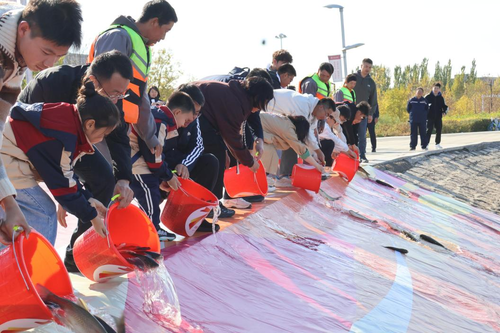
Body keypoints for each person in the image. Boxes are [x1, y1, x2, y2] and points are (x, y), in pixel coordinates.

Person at [18, 50, 134, 272]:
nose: (117, 100)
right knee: (45, 211)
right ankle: (33, 269)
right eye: (114, 94)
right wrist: (68, 192)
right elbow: (44, 147)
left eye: (122, 94)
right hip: (26, 145)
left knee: (103, 178)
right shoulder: (52, 83)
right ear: (93, 81)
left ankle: (78, 256)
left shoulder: (111, 95)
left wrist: (124, 179)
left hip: (70, 149)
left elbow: (119, 138)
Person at [0, 0, 83, 245]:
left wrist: (8, 202)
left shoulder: (16, 57)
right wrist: (9, 202)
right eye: (47, 52)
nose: (50, 64)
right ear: (24, 29)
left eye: (59, 56)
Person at [1, 83, 120, 245]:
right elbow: (63, 186)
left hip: (10, 150)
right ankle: (36, 266)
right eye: (104, 133)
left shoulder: (69, 117)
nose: (102, 139)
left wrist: (88, 200)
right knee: (44, 212)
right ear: (90, 124)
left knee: (13, 211)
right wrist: (92, 217)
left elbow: (67, 176)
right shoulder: (65, 138)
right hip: (6, 154)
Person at [88, 0, 178, 166]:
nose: (164, 37)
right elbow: (101, 83)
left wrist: (150, 136)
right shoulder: (118, 36)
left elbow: (140, 95)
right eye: (166, 30)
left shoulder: (142, 48)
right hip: (99, 126)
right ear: (154, 22)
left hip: (118, 127)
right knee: (104, 180)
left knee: (116, 181)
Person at [194, 77, 274, 215]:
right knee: (215, 156)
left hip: (205, 119)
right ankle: (210, 205)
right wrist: (250, 162)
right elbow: (232, 137)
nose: (259, 109)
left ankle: (210, 203)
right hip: (196, 117)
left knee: (219, 156)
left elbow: (229, 130)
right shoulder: (235, 103)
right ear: (257, 97)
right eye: (263, 102)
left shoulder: (240, 96)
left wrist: (258, 141)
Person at [130, 92, 195, 241]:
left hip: (137, 163)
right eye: (187, 120)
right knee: (150, 196)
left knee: (147, 196)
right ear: (177, 112)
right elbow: (154, 157)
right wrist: (168, 176)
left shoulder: (158, 115)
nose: (186, 124)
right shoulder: (161, 122)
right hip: (137, 165)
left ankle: (146, 228)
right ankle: (152, 229)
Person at [162, 84, 220, 231]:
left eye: (198, 113)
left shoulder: (194, 121)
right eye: (192, 112)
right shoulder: (160, 117)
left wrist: (184, 164)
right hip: (162, 169)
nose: (193, 117)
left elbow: (198, 146)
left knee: (210, 161)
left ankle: (195, 216)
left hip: (182, 168)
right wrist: (166, 173)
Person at [266, 90, 335, 186]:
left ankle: (282, 175)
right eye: (326, 114)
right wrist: (316, 165)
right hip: (265, 112)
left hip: (271, 119)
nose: (325, 118)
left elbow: (309, 132)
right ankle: (284, 176)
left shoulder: (312, 111)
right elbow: (303, 139)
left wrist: (318, 151)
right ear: (321, 107)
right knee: (293, 141)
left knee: (289, 143)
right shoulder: (302, 105)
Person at [261, 113, 324, 180]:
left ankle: (264, 178)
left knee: (270, 152)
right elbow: (301, 150)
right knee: (269, 153)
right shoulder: (288, 129)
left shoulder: (286, 122)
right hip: (254, 133)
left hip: (258, 132)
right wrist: (317, 166)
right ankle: (264, 179)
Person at [353, 58, 378, 163]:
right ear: (361, 66)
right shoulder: (353, 78)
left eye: (370, 67)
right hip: (351, 112)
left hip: (363, 113)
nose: (367, 69)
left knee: (362, 135)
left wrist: (370, 114)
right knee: (351, 134)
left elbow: (373, 100)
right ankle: (352, 156)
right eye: (366, 66)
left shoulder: (371, 83)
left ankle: (362, 155)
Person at [425, 82, 448, 149]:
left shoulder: (441, 98)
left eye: (437, 88)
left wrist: (444, 111)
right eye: (435, 88)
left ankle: (437, 143)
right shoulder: (428, 97)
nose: (436, 89)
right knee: (429, 130)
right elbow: (423, 106)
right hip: (429, 117)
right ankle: (426, 144)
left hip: (438, 116)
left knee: (439, 129)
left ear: (439, 89)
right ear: (432, 88)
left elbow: (444, 106)